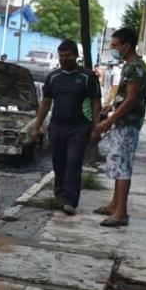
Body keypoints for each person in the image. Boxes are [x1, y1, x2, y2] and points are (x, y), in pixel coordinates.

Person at [32, 40, 101, 215]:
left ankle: (70, 200)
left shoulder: (87, 77)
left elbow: (95, 104)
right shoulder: (53, 77)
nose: (64, 59)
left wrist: (96, 128)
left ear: (76, 56)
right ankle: (60, 196)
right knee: (59, 162)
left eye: (68, 56)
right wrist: (36, 126)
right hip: (57, 126)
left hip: (79, 127)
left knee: (73, 161)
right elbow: (45, 103)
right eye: (61, 56)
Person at [91, 28, 146, 228]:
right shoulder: (131, 66)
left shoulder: (134, 68)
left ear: (126, 45)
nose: (112, 48)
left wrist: (108, 121)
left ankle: (121, 212)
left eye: (115, 45)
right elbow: (127, 97)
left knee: (122, 167)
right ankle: (114, 205)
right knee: (117, 164)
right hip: (124, 122)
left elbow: (132, 100)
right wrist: (112, 106)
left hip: (127, 124)